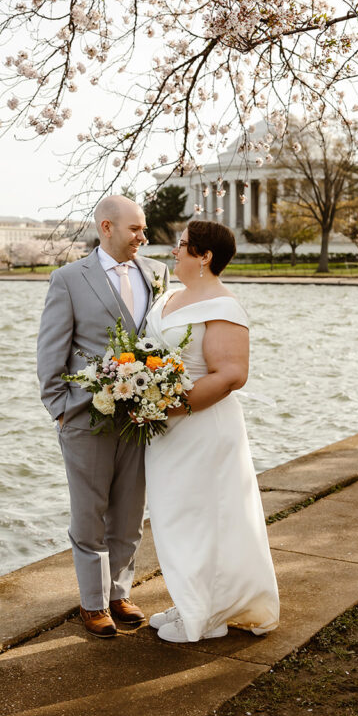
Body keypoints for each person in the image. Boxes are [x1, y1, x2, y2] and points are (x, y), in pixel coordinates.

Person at [36, 195, 169, 638]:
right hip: (85, 417)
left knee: (130, 512)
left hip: (140, 417)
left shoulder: (156, 274)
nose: (143, 237)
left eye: (144, 229)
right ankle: (92, 603)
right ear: (106, 227)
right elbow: (51, 351)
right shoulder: (69, 279)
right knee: (89, 515)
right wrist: (61, 409)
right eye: (135, 230)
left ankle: (119, 593)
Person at [144, 220, 279, 643]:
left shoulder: (223, 307)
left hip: (202, 426)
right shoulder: (169, 295)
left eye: (182, 246)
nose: (174, 251)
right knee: (174, 516)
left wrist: (168, 406)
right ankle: (194, 601)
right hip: (165, 430)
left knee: (204, 518)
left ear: (205, 256)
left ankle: (206, 613)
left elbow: (232, 375)